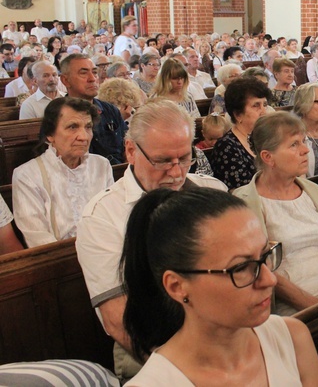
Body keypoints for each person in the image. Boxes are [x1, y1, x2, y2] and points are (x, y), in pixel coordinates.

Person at [77, 99, 226, 379]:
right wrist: (191, 375)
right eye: (162, 161)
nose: (176, 172)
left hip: (226, 337)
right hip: (155, 356)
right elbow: (117, 321)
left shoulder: (212, 191)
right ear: (131, 150)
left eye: (183, 158)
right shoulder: (102, 217)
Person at [120, 187, 318, 386]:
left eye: (264, 256)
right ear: (177, 286)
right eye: (241, 267)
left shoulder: (291, 338)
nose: (270, 280)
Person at [232, 113, 318, 316]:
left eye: (303, 141)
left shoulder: (312, 191)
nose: (305, 150)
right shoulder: (245, 203)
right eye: (294, 145)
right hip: (293, 312)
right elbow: (265, 271)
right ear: (268, 157)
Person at [12, 98, 113, 247]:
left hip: (104, 251)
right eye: (73, 127)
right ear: (50, 134)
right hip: (59, 262)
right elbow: (37, 238)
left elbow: (112, 218)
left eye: (88, 127)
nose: (84, 136)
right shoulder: (27, 176)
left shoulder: (101, 165)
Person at [60, 54, 127, 165]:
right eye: (83, 73)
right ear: (65, 80)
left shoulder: (110, 110)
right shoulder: (59, 115)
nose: (92, 79)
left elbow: (128, 145)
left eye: (95, 72)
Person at [211, 77, 272, 191]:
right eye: (256, 105)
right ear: (238, 114)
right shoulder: (226, 147)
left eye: (265, 104)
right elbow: (242, 192)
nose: (264, 111)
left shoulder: (269, 137)